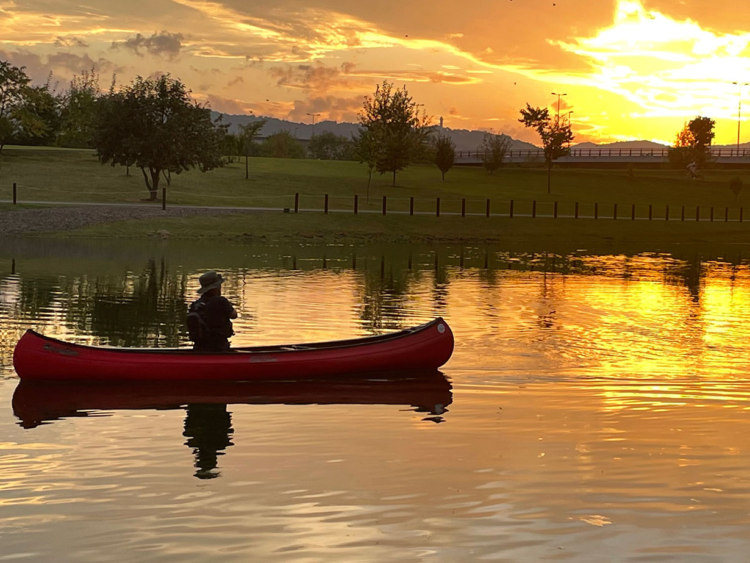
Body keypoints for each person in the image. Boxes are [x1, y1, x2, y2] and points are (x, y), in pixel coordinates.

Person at [187, 271, 238, 352]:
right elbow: (234, 315)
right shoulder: (221, 301)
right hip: (219, 348)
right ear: (216, 287)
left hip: (199, 348)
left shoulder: (195, 305)